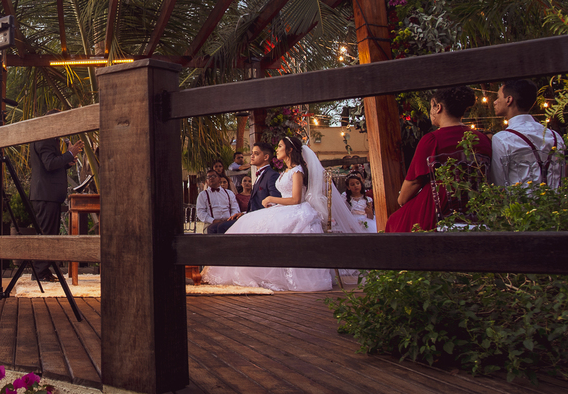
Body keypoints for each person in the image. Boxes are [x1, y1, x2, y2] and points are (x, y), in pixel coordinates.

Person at [204, 135, 365, 291]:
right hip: (282, 208)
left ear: (289, 150)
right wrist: (272, 203)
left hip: (296, 209)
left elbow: (296, 199)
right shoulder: (286, 171)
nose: (277, 149)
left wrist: (271, 199)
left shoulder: (297, 171)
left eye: (280, 146)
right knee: (246, 222)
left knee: (254, 225)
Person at [386, 86, 492, 233]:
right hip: (473, 207)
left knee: (395, 220)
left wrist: (401, 200)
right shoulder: (482, 139)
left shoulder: (432, 139)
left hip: (439, 209)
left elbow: (414, 182)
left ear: (438, 107)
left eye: (431, 107)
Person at [29, 127, 83, 281]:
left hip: (47, 194)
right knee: (46, 235)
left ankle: (42, 271)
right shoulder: (45, 138)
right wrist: (69, 154)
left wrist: (67, 162)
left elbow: (51, 165)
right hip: (46, 194)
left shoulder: (46, 137)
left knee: (48, 233)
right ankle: (40, 273)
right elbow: (49, 163)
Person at [491, 78, 566, 189]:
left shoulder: (502, 139)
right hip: (555, 204)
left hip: (519, 205)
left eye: (498, 97)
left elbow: (499, 184)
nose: (495, 102)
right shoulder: (555, 137)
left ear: (509, 100)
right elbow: (561, 179)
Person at [207, 143, 278, 234]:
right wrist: (243, 213)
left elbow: (275, 203)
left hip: (260, 219)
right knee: (212, 228)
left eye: (256, 154)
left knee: (221, 227)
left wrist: (250, 215)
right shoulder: (260, 175)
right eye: (252, 153)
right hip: (250, 215)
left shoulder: (271, 175)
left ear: (266, 157)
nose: (251, 156)